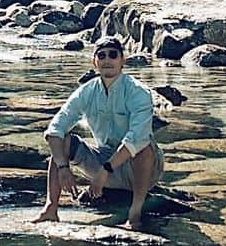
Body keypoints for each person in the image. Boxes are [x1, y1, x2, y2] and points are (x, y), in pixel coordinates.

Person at [32, 36, 163, 232]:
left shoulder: (138, 92)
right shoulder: (86, 91)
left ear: (123, 60)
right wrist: (62, 167)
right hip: (104, 158)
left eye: (113, 55)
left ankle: (134, 214)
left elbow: (137, 138)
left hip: (141, 168)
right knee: (63, 143)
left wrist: (105, 171)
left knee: (144, 148)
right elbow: (54, 129)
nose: (107, 60)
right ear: (95, 62)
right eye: (102, 56)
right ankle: (51, 208)